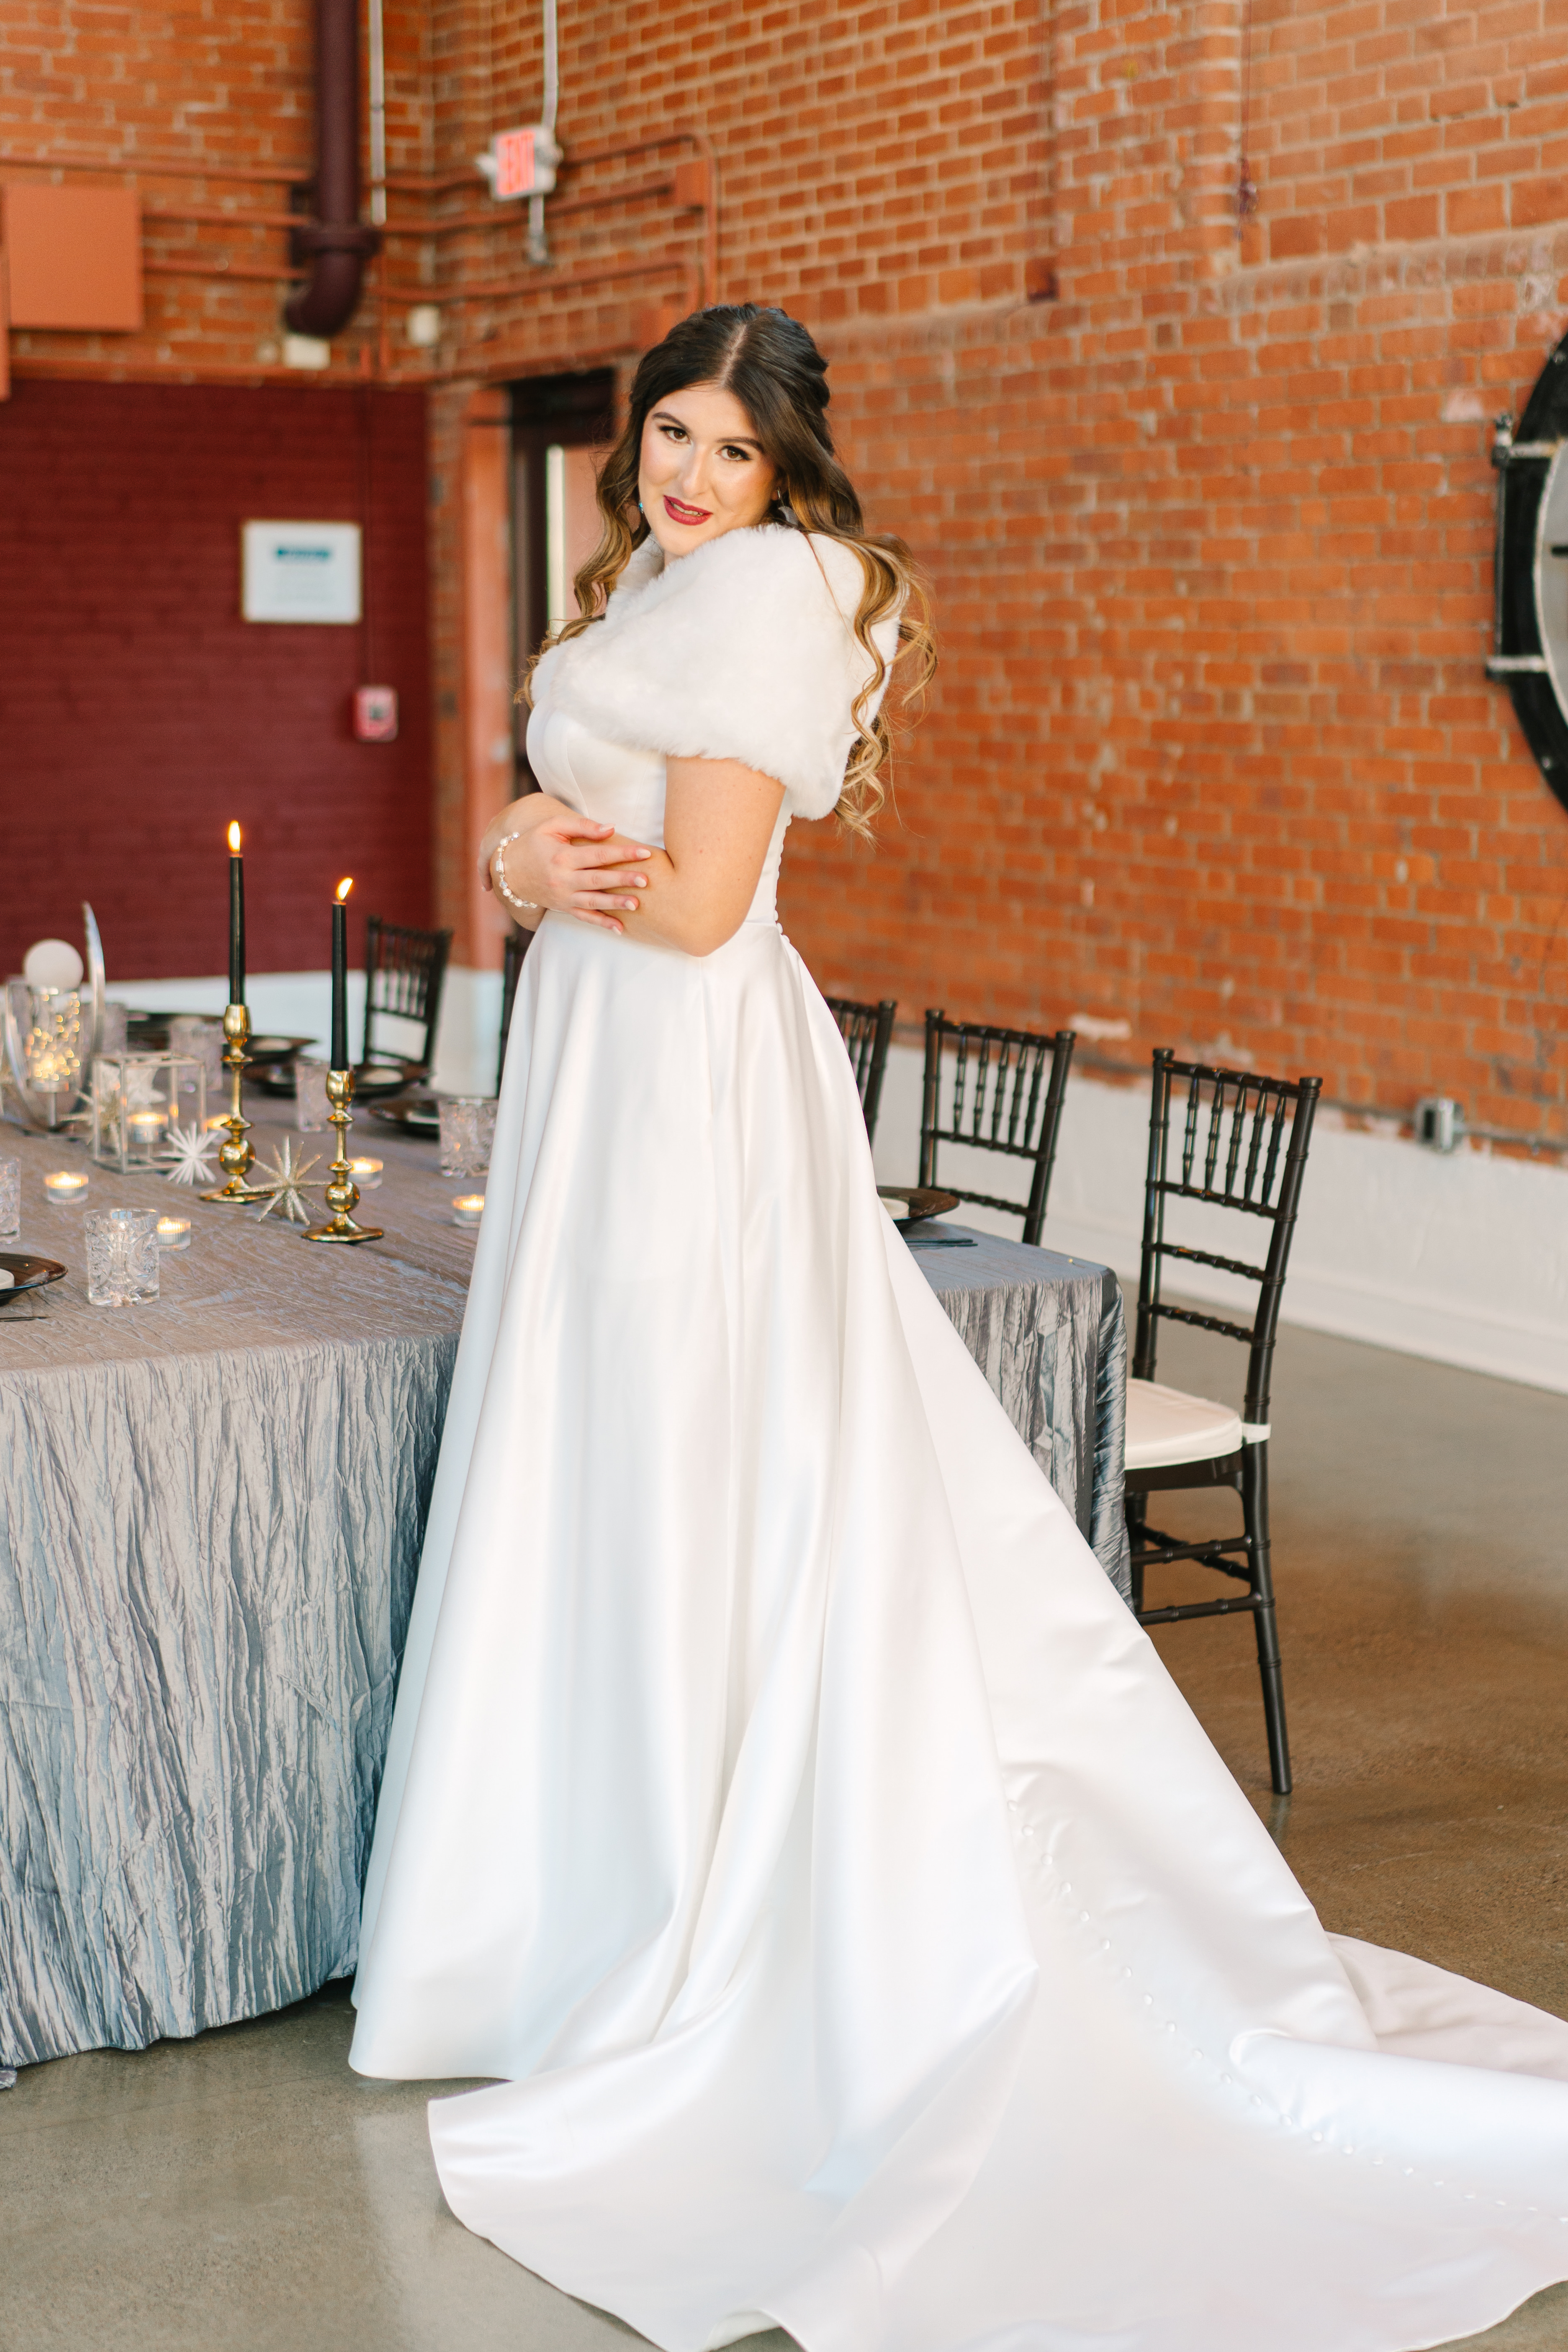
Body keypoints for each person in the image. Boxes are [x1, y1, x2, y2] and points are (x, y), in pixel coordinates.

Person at [350, 305, 1568, 2352]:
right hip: (605, 1067)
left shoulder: (765, 598)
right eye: (667, 432)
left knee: (687, 1459)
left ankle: (683, 1917)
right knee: (613, 1459)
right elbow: (601, 851)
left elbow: (708, 903)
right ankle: (577, 1908)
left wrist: (515, 861)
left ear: (787, 476)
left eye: (730, 450)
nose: (684, 475)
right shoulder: (663, 581)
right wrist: (512, 849)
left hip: (681, 1076)